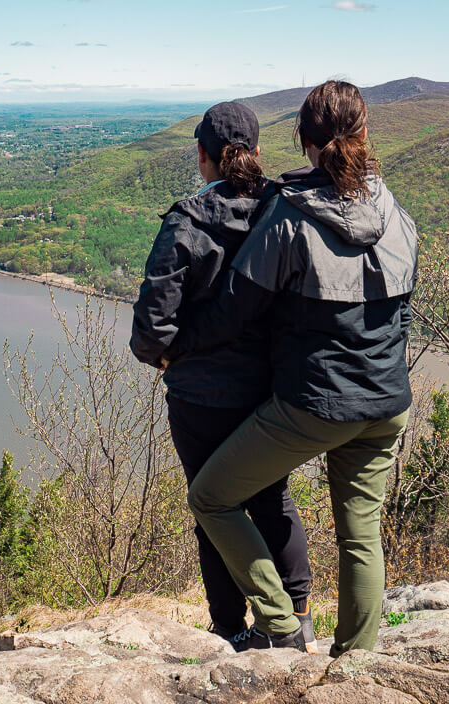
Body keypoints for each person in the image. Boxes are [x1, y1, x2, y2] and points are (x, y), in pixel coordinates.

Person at [165, 81, 417, 654]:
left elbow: (234, 309)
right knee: (361, 535)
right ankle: (356, 663)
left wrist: (174, 348)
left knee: (212, 497)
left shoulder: (288, 216)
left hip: (314, 406)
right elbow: (400, 316)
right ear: (365, 134)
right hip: (387, 403)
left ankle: (279, 626)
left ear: (300, 139)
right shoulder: (395, 211)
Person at [130, 102, 315, 652]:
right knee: (272, 499)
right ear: (257, 154)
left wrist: (168, 358)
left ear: (203, 157)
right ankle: (297, 615)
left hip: (201, 399)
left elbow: (150, 327)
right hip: (271, 392)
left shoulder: (185, 221)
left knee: (214, 507)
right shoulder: (284, 211)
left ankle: (232, 628)